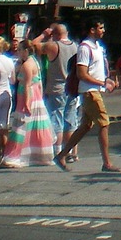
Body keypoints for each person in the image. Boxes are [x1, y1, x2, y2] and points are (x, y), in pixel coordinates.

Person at [53, 17, 119, 173]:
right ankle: (107, 163)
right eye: (100, 28)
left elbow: (97, 72)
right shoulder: (84, 47)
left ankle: (61, 155)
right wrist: (101, 83)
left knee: (85, 126)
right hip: (89, 92)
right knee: (104, 123)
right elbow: (82, 74)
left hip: (95, 90)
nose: (103, 31)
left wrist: (107, 81)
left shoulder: (98, 47)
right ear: (92, 30)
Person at [0, 39, 56, 168]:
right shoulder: (35, 62)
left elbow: (27, 85)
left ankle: (15, 156)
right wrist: (39, 98)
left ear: (26, 51)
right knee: (35, 126)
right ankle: (39, 155)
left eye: (19, 50)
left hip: (27, 97)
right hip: (36, 97)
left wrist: (26, 102)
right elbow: (40, 83)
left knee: (21, 127)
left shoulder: (27, 65)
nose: (17, 52)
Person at [31, 19, 79, 160]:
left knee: (56, 119)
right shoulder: (76, 46)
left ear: (55, 34)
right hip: (72, 87)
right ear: (67, 33)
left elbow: (32, 46)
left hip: (56, 88)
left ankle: (58, 152)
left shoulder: (53, 46)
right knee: (70, 120)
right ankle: (70, 152)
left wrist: (44, 35)